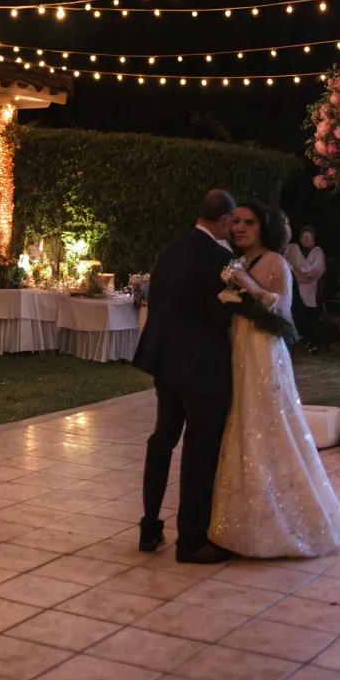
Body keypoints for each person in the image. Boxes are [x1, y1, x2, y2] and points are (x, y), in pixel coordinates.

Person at [208, 200, 340, 559]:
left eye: (249, 222)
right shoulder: (241, 262)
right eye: (236, 222)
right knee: (244, 423)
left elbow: (278, 312)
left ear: (266, 227)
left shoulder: (275, 262)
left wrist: (245, 289)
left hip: (263, 351)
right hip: (240, 348)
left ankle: (280, 517)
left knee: (268, 421)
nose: (240, 228)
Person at [133, 189, 237, 563]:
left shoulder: (170, 250)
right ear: (224, 220)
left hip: (166, 362)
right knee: (199, 448)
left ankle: (149, 526)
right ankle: (191, 540)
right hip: (202, 366)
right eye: (233, 222)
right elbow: (220, 316)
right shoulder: (221, 259)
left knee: (163, 437)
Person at [286, 224, 327, 350]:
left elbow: (314, 271)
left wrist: (299, 273)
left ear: (313, 239)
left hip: (312, 289)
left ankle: (314, 342)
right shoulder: (294, 250)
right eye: (303, 237)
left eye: (308, 237)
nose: (305, 240)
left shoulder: (317, 252)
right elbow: (286, 264)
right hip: (294, 289)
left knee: (312, 315)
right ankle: (301, 340)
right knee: (297, 314)